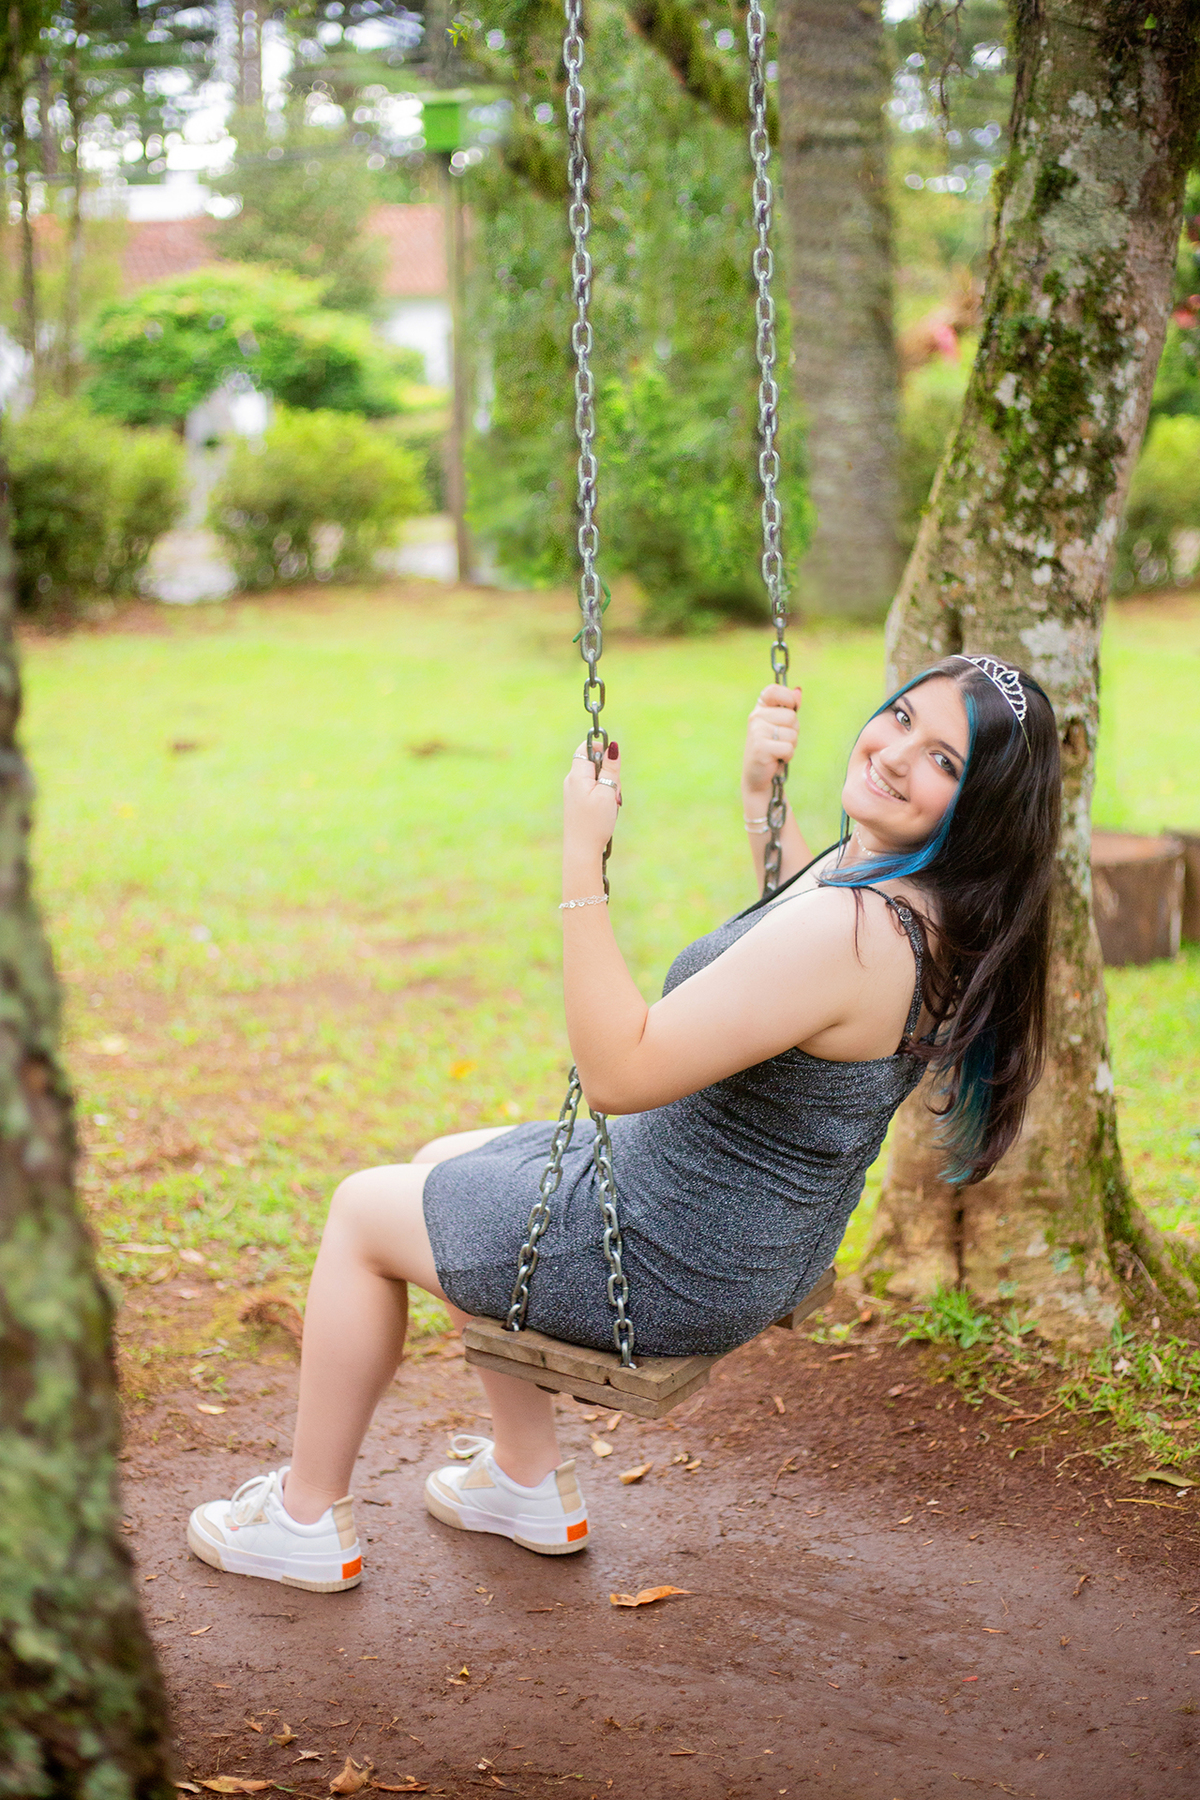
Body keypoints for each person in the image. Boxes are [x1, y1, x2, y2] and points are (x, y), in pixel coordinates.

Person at [186, 654, 1061, 1588]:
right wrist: (762, 799)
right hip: (746, 1233)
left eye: (942, 761)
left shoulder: (851, 937)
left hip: (671, 1253)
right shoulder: (920, 906)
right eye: (897, 717)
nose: (893, 753)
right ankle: (523, 1483)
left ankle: (303, 1519)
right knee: (445, 1159)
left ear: (980, 809)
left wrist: (580, 856)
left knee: (364, 1211)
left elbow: (618, 1071)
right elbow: (800, 931)